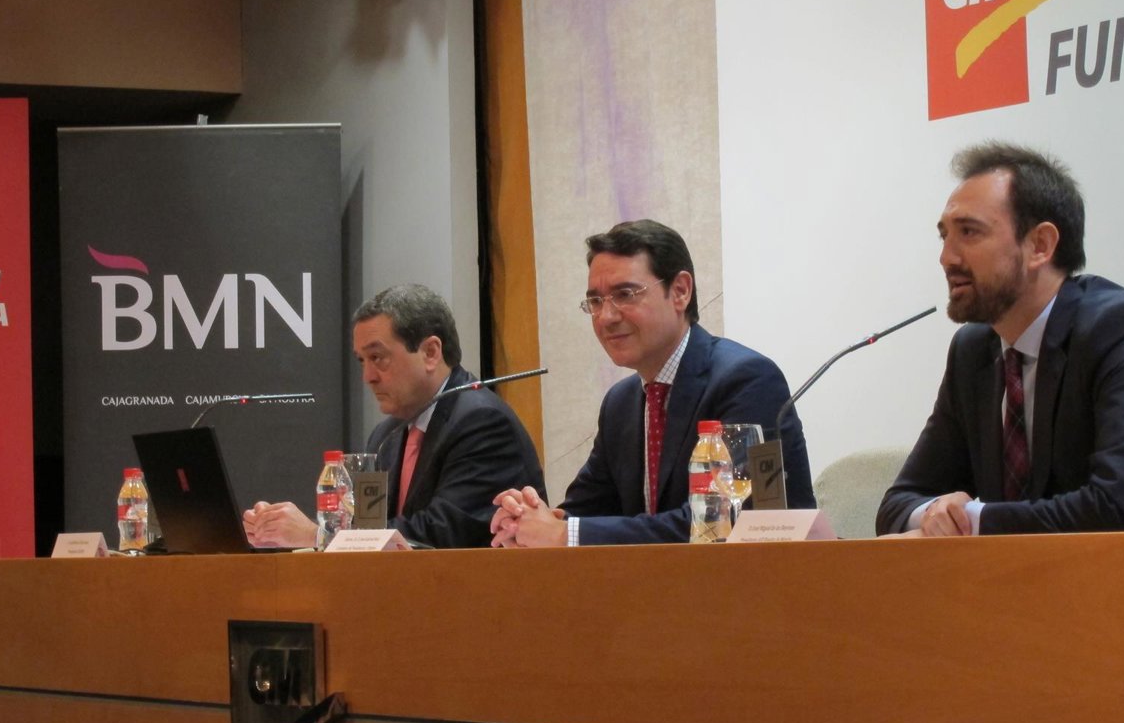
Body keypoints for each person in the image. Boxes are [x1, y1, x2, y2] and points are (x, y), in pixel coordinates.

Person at [877, 142, 1124, 537]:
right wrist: (934, 514)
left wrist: (971, 520)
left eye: (969, 232)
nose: (947, 258)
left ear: (1040, 245)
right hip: (1024, 576)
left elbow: (1115, 510)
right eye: (944, 236)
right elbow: (898, 503)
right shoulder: (972, 351)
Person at [491, 218, 814, 547]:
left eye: (625, 294)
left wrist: (564, 534)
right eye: (596, 301)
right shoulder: (620, 404)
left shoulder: (747, 380)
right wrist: (529, 520)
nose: (606, 317)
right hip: (658, 579)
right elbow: (589, 510)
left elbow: (724, 521)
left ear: (680, 291)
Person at [244, 284, 545, 549]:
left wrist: (317, 535)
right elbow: (366, 531)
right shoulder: (386, 435)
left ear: (430, 352)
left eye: (378, 357)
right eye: (362, 360)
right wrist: (277, 530)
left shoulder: (482, 422)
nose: (368, 377)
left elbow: (440, 536)